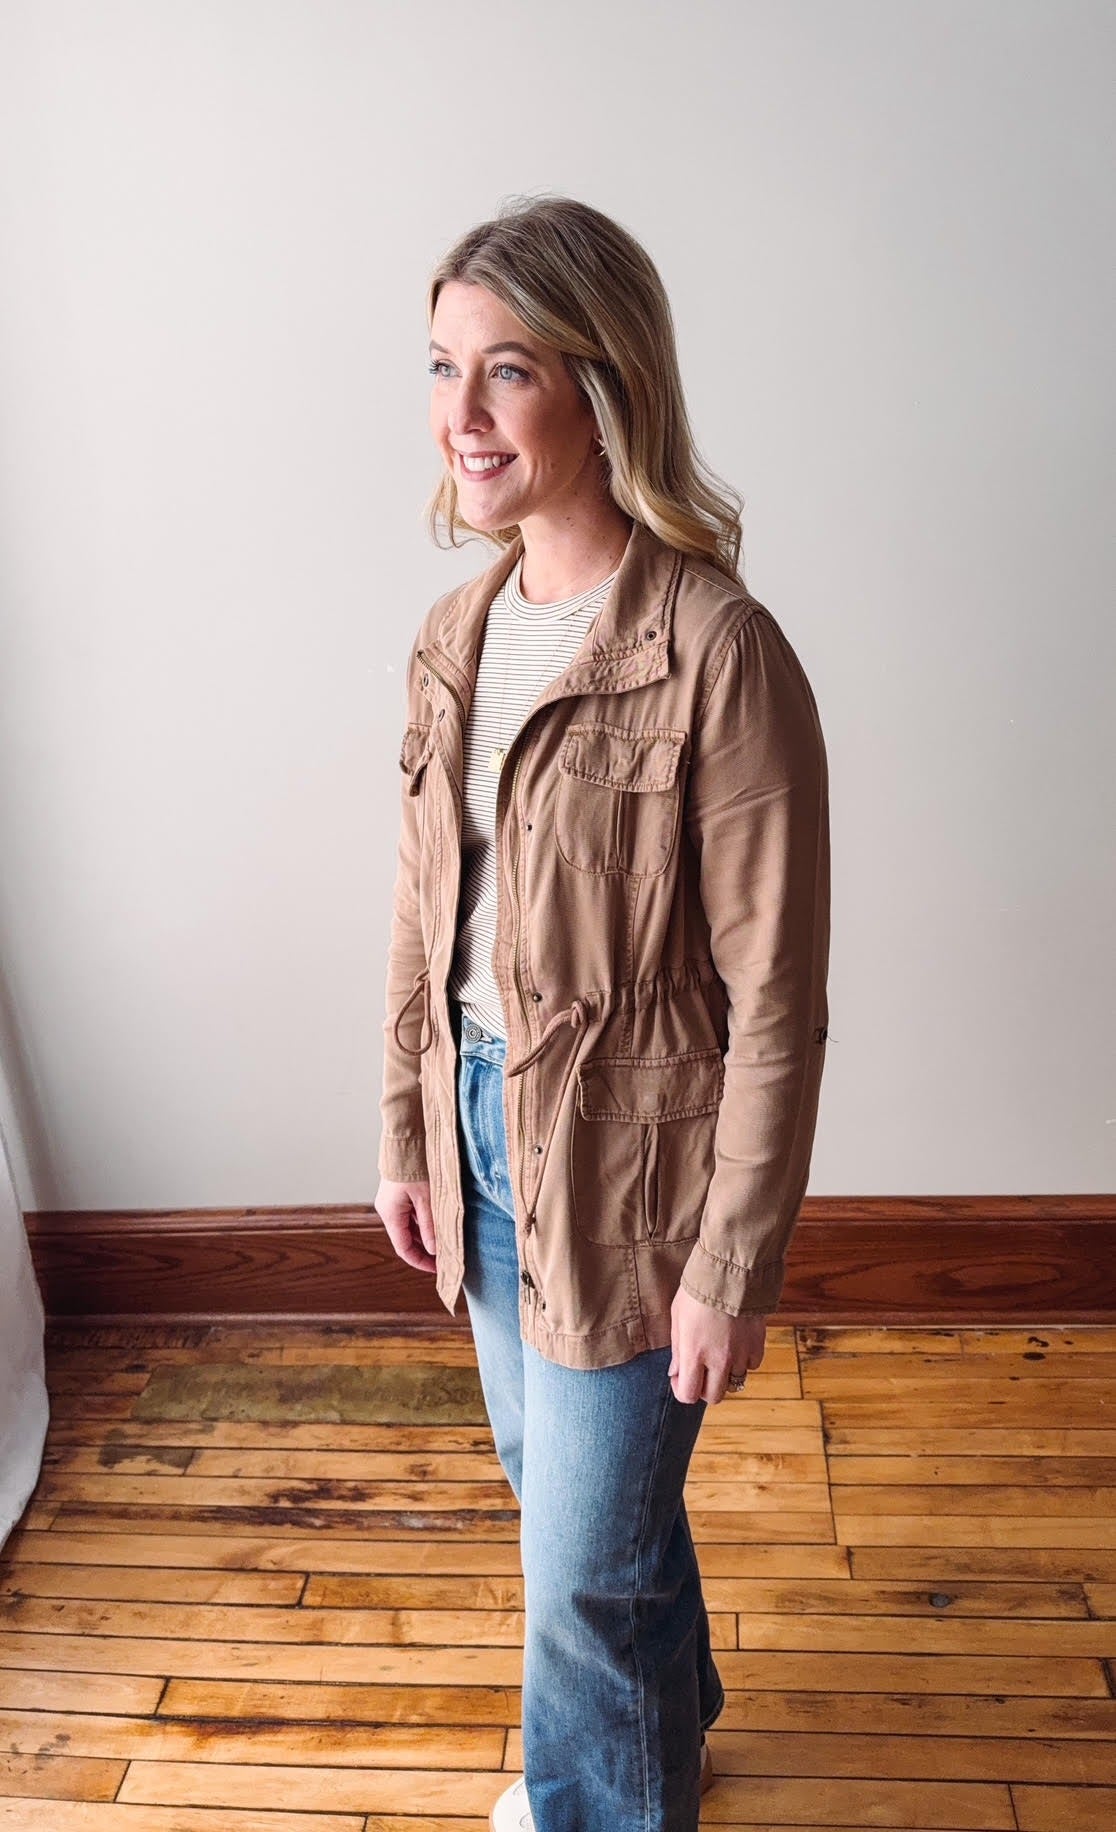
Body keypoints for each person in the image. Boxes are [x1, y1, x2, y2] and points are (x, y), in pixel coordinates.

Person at [374, 193, 831, 1832]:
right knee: (573, 1506)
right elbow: (430, 918)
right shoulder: (454, 634)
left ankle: (602, 1803)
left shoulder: (718, 650)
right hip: (486, 1141)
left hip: (637, 1179)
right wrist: (410, 1128)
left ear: (603, 382)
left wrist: (734, 1261)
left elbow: (776, 999)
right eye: (443, 367)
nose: (464, 414)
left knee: (576, 1566)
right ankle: (670, 1708)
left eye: (509, 371)